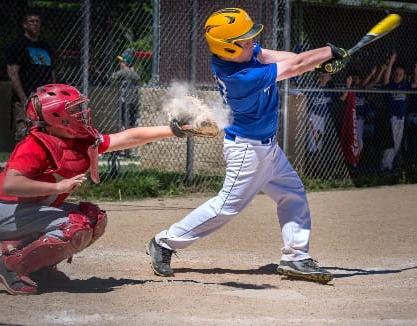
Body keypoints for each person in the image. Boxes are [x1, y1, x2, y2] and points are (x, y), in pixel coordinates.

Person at [146, 7, 348, 283]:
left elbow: (278, 57)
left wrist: (318, 63)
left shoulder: (245, 53)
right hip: (247, 151)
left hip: (268, 148)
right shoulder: (240, 78)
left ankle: (296, 257)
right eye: (245, 40)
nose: (252, 42)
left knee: (293, 194)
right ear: (227, 48)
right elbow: (295, 66)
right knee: (225, 207)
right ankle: (164, 242)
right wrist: (325, 53)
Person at [0, 84, 181, 295]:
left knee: (93, 219)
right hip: (4, 213)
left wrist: (173, 130)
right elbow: (11, 184)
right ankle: (11, 266)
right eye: (73, 110)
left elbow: (127, 138)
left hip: (30, 211)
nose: (81, 114)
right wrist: (57, 186)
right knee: (75, 227)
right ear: (56, 115)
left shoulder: (79, 139)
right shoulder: (34, 145)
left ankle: (38, 268)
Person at [6, 12, 55, 142]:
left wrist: (53, 96)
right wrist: (23, 98)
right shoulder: (18, 45)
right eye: (31, 21)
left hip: (44, 99)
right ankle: (21, 162)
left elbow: (51, 72)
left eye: (37, 21)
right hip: (27, 97)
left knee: (45, 134)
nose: (35, 24)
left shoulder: (45, 46)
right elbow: (12, 72)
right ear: (24, 25)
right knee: (24, 134)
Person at [380, 53, 417, 173]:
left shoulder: (404, 85)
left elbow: (416, 84)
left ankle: (389, 165)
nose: (398, 76)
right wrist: (391, 62)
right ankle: (385, 166)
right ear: (393, 74)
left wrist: (416, 70)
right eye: (396, 74)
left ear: (403, 76)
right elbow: (386, 79)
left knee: (397, 144)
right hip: (391, 118)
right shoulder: (390, 84)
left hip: (401, 119)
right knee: (390, 143)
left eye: (401, 75)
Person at [111, 49, 141, 157]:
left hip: (124, 102)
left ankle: (122, 149)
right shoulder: (134, 73)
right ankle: (128, 150)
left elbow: (112, 77)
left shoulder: (124, 72)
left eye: (122, 62)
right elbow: (137, 78)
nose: (120, 64)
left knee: (123, 124)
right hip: (133, 102)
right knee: (131, 125)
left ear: (125, 63)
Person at [306, 72, 337, 154]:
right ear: (322, 76)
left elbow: (340, 98)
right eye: (327, 74)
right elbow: (306, 103)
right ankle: (311, 156)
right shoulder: (314, 87)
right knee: (313, 139)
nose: (330, 76)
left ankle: (317, 156)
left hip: (324, 117)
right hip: (313, 116)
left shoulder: (330, 88)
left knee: (320, 139)